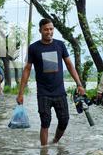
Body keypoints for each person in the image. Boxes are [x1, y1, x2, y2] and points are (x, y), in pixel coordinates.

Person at [16, 18, 86, 146]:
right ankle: (44, 153)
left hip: (59, 91)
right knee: (45, 122)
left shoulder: (60, 45)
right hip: (43, 92)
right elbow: (27, 69)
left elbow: (70, 65)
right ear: (40, 30)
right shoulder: (34, 48)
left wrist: (79, 84)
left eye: (51, 29)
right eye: (46, 29)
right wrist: (21, 93)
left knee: (64, 120)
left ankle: (54, 141)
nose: (49, 32)